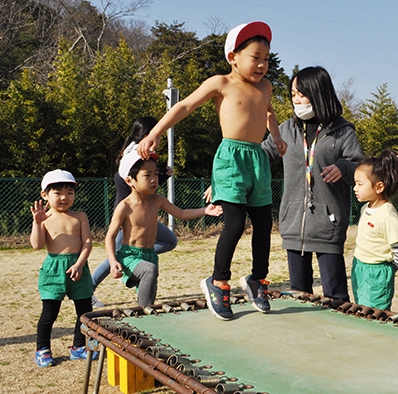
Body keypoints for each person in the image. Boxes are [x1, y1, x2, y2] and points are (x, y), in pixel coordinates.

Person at [137, 21, 287, 321]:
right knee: (233, 223)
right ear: (233, 57)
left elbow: (269, 112)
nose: (262, 65)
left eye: (266, 59)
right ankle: (218, 282)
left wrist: (276, 136)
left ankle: (257, 279)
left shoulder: (267, 87)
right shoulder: (221, 83)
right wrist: (154, 132)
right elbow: (184, 107)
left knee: (262, 223)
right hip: (231, 158)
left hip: (257, 158)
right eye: (255, 57)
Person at [262, 66, 363, 303]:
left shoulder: (343, 131)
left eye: (301, 94)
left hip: (328, 227)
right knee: (300, 296)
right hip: (292, 226)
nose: (296, 100)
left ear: (319, 94)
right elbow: (261, 155)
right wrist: (228, 176)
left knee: (336, 297)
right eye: (293, 95)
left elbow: (359, 167)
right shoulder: (286, 129)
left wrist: (344, 167)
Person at [105, 147, 222, 307]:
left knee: (149, 292)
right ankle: (146, 314)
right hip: (130, 257)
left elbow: (181, 213)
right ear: (130, 181)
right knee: (149, 271)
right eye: (147, 175)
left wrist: (205, 210)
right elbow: (110, 237)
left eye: (155, 174)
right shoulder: (125, 206)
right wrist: (113, 262)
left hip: (150, 255)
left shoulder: (157, 200)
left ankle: (144, 318)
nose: (154, 179)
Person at [91, 117, 178, 308]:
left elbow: (147, 184)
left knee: (170, 241)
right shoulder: (135, 154)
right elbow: (136, 183)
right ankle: (89, 289)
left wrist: (161, 175)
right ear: (148, 134)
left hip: (145, 213)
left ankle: (134, 262)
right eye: (158, 132)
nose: (160, 137)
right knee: (115, 254)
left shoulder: (141, 152)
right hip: (130, 215)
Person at [30, 169, 98, 368]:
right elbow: (36, 245)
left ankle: (79, 346)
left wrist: (79, 263)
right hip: (53, 269)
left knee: (84, 311)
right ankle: (42, 349)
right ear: (45, 195)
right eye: (57, 193)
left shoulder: (80, 216)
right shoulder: (44, 217)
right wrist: (37, 223)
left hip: (79, 267)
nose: (64, 197)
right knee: (49, 314)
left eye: (69, 192)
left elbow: (87, 242)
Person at [352, 150, 398, 311]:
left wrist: (389, 269)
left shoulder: (387, 214)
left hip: (378, 272)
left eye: (359, 183)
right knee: (361, 307)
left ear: (379, 187)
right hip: (360, 266)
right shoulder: (366, 207)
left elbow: (397, 247)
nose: (354, 188)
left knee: (375, 313)